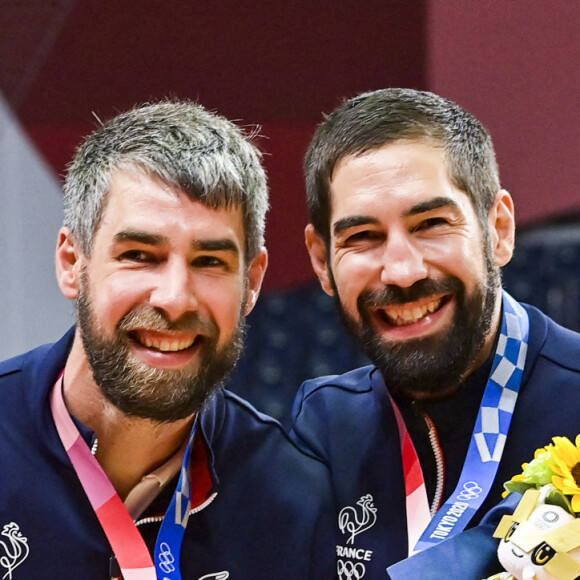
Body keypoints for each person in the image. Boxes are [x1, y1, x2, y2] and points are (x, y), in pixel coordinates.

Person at [0, 101, 336, 579]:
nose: (175, 299)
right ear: (72, 262)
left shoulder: (296, 501)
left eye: (210, 262)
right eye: (139, 255)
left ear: (253, 282)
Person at [289, 87, 580, 578]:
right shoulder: (324, 425)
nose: (401, 270)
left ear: (499, 230)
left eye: (431, 224)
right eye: (363, 237)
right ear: (321, 261)